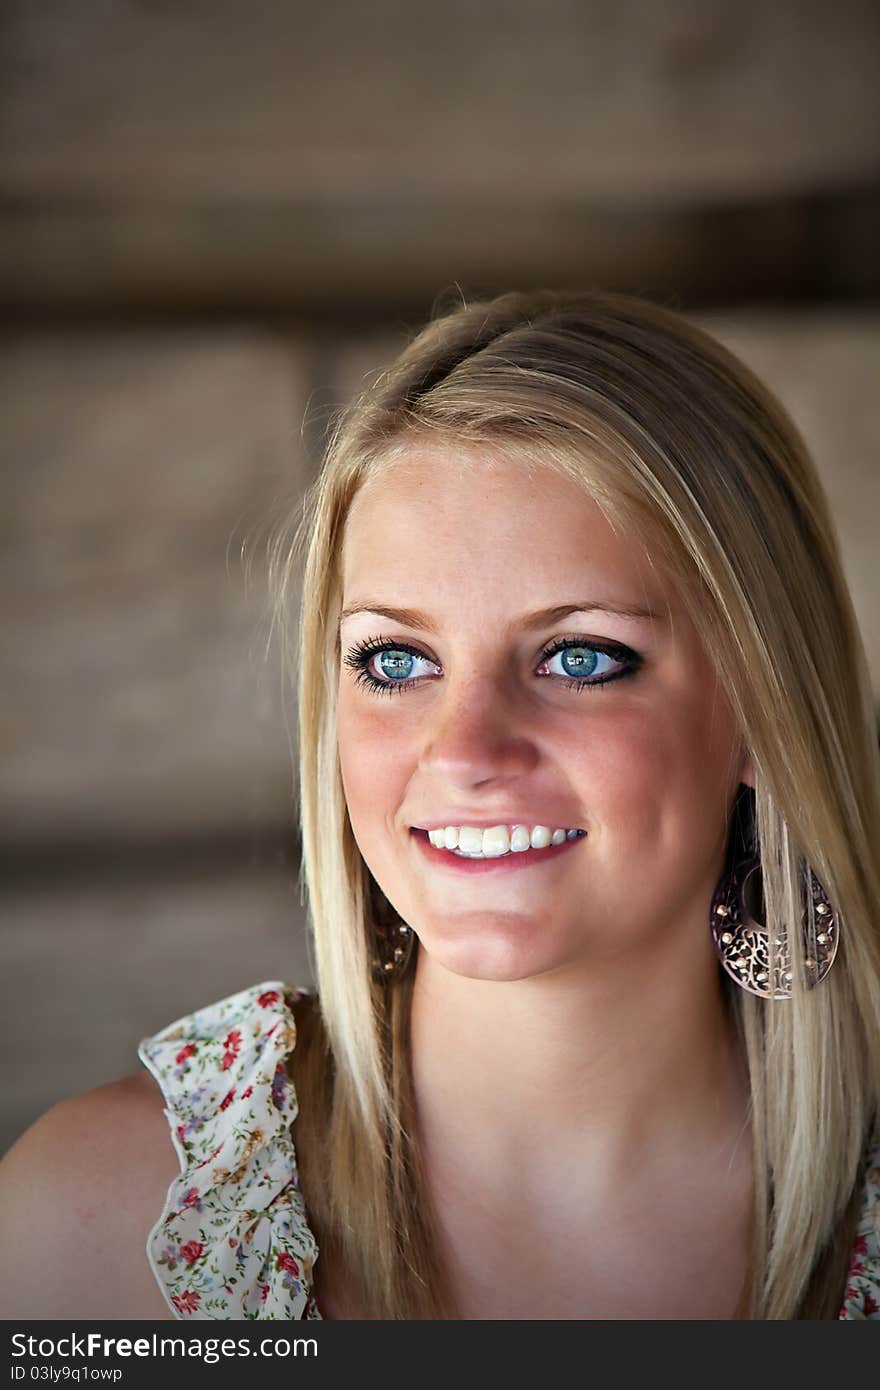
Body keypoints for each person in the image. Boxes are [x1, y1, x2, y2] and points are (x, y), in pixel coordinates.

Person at [2, 289, 879, 1320]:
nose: (463, 749)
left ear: (762, 712)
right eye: (395, 658)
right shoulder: (98, 1224)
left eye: (579, 655)